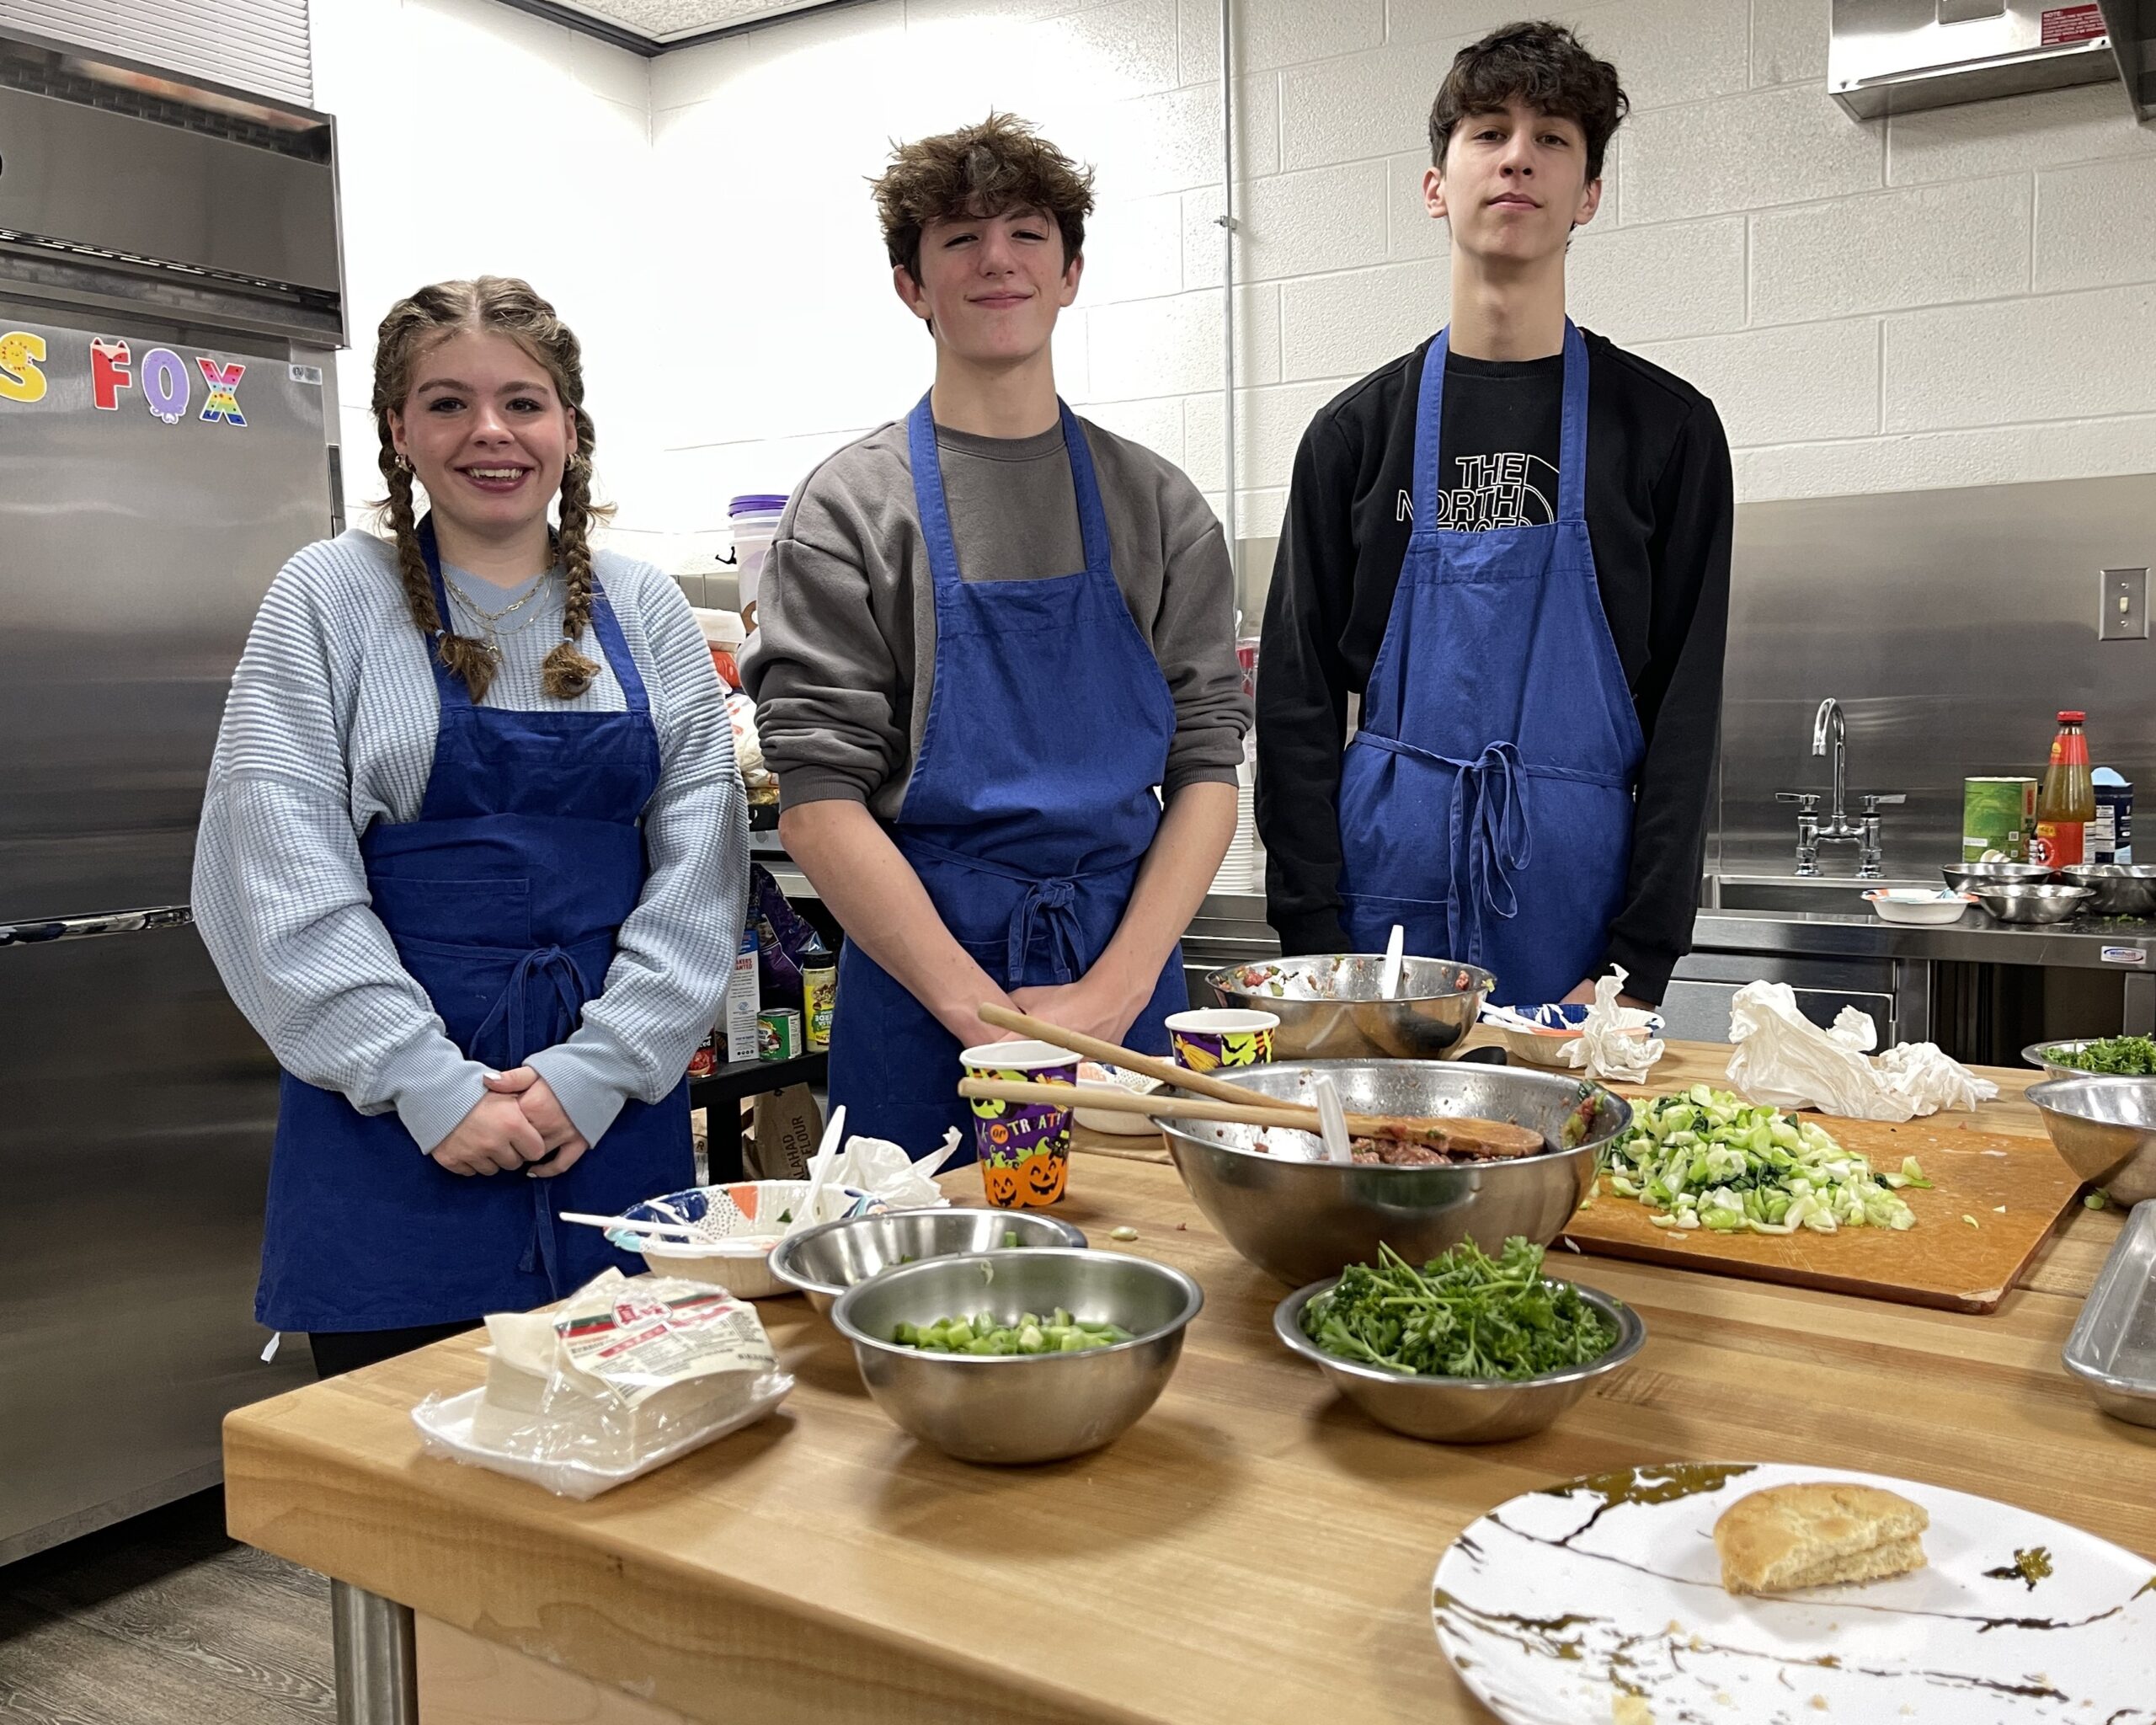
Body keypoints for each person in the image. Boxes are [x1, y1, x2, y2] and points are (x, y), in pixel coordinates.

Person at [195, 277, 745, 1377]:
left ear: (570, 429)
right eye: (447, 404)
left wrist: (596, 1070)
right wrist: (428, 1085)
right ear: (398, 430)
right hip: (387, 1129)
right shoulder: (329, 598)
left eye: (523, 403)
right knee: (412, 1509)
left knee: (632, 1480)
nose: (490, 433)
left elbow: (702, 878)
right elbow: (274, 871)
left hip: (608, 1119)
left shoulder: (644, 610)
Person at [744, 114, 1249, 1156]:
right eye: (960, 238)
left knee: (1145, 1276)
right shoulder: (849, 510)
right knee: (929, 1303)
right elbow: (817, 804)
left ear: (1070, 272)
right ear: (911, 284)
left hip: (1123, 977)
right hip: (923, 993)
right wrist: (986, 1022)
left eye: (1026, 232)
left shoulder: (1157, 505)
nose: (997, 261)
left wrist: (1108, 998)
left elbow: (1206, 765)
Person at [1256, 21, 1732, 1010]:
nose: (1518, 155)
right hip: (1379, 904)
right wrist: (1312, 932)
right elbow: (1297, 702)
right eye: (1487, 130)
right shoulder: (1351, 435)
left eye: (1553, 137)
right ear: (1435, 183)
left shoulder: (1666, 430)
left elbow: (1686, 713)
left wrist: (1638, 961)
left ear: (1588, 195)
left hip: (1576, 907)